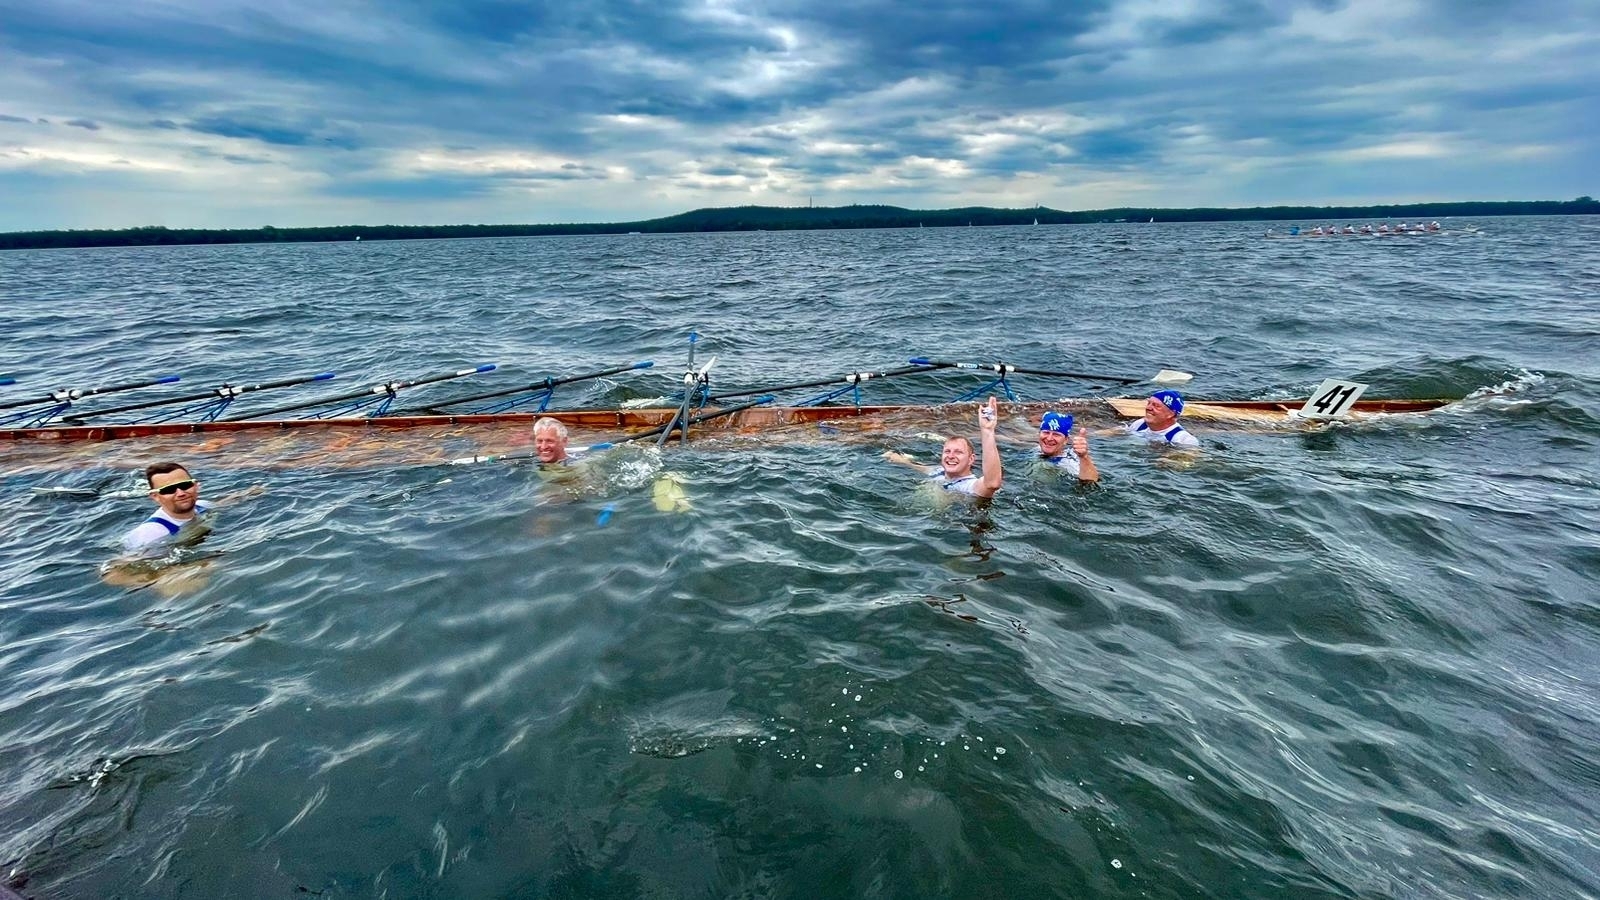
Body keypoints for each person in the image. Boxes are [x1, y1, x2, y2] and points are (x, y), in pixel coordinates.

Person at [883, 397, 1002, 498]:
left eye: (958, 452)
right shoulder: (939, 471)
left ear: (971, 459)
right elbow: (923, 468)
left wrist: (987, 430)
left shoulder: (969, 486)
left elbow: (992, 483)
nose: (951, 456)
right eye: (947, 451)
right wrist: (902, 461)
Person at [123, 462, 211, 552]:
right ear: (155, 496)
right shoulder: (150, 534)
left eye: (185, 485)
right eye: (169, 490)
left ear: (195, 486)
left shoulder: (205, 506)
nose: (181, 493)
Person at [1118, 390, 1200, 448]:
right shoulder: (1139, 424)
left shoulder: (1184, 440)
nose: (1148, 408)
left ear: (1171, 414)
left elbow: (1187, 461)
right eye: (1149, 403)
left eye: (1156, 406)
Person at [1036, 411, 1099, 482]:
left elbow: (1090, 482)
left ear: (1066, 440)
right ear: (1039, 434)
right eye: (1046, 432)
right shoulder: (1035, 450)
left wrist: (1084, 457)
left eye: (1056, 434)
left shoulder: (1068, 463)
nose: (1049, 438)